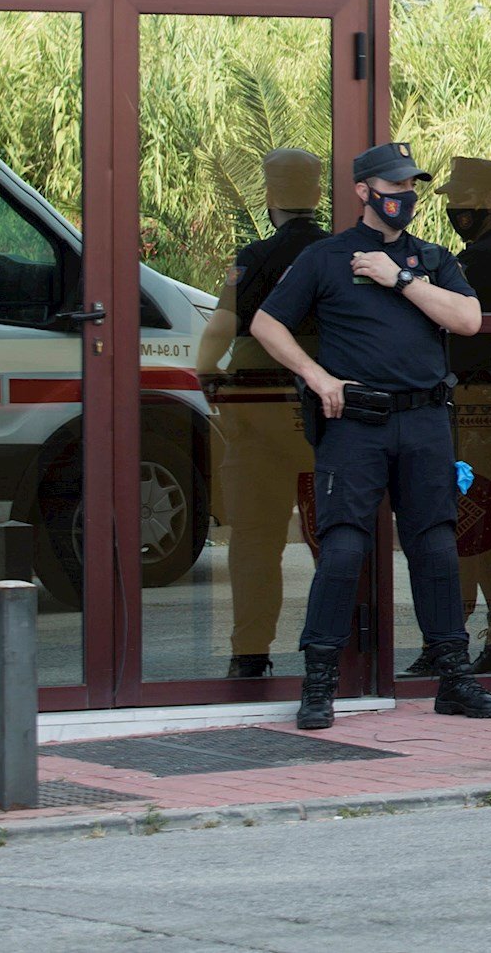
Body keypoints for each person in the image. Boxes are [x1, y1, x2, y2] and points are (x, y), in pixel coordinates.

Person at [250, 142, 491, 729]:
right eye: (393, 188)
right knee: (342, 548)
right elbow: (265, 323)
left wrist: (400, 278)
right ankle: (320, 683)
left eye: (411, 187)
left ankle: (453, 678)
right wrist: (316, 377)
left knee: (435, 547)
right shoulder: (325, 256)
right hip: (355, 425)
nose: (404, 197)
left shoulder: (431, 259)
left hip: (424, 422)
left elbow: (469, 319)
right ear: (363, 191)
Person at [194, 148, 326, 679]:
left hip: (255, 412)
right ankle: (334, 651)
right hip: (320, 415)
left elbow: (220, 330)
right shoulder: (336, 253)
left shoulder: (253, 257)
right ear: (317, 194)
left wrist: (207, 375)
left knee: (254, 539)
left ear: (271, 196)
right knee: (330, 536)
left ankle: (249, 654)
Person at [401, 155, 491, 678]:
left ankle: (472, 639)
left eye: (461, 199)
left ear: (488, 201)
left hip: (478, 401)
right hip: (477, 398)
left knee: (476, 521)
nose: (454, 208)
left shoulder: (486, 258)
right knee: (479, 518)